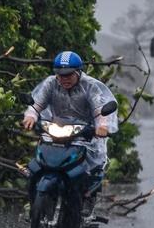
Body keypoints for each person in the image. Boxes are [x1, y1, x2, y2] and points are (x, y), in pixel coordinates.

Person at [22, 51, 118, 215]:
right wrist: (30, 117)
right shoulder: (51, 84)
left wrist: (101, 126)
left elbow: (99, 111)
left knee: (87, 172)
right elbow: (36, 105)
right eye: (60, 74)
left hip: (83, 136)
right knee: (33, 169)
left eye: (69, 74)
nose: (64, 78)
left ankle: (86, 197)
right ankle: (35, 209)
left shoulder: (90, 86)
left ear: (78, 72)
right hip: (55, 132)